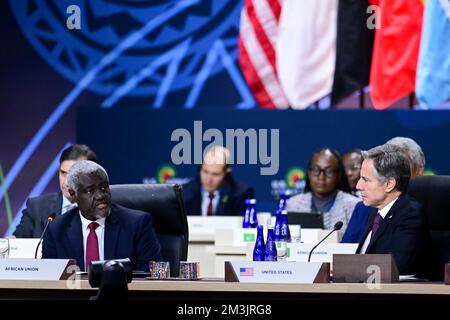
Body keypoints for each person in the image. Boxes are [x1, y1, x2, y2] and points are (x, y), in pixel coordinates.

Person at [42, 160, 162, 272]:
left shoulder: (136, 224)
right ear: (73, 194)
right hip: (74, 294)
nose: (100, 196)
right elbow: (49, 278)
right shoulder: (56, 230)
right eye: (90, 191)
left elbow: (149, 277)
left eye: (104, 188)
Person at [355, 145, 428, 276]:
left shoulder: (410, 214)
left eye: (365, 179)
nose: (358, 186)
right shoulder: (375, 213)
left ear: (389, 184)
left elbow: (397, 266)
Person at [342, 139, 427, 243]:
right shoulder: (365, 208)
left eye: (401, 167)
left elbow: (395, 258)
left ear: (418, 171)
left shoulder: (415, 212)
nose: (358, 186)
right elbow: (345, 251)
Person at [12, 144, 97, 238]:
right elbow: (18, 237)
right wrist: (10, 242)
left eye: (74, 175)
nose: (66, 182)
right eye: (63, 173)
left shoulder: (103, 209)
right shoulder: (36, 207)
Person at [286, 148, 359, 232]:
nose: (321, 177)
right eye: (316, 170)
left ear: (339, 175)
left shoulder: (354, 205)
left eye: (329, 171)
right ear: (309, 173)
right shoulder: (294, 204)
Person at [183, 146, 254, 216]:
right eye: (205, 172)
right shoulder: (184, 192)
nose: (208, 179)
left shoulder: (241, 193)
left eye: (215, 174)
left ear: (227, 173)